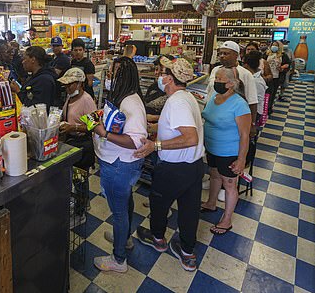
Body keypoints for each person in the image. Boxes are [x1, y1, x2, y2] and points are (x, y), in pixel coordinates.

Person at [134, 57, 205, 272]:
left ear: (170, 79)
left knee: (158, 203)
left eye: (163, 73)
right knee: (189, 210)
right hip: (193, 166)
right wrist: (155, 122)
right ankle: (187, 253)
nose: (159, 76)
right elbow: (176, 125)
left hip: (175, 168)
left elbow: (190, 137)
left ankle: (157, 239)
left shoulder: (177, 102)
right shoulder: (186, 97)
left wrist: (155, 145)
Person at [92, 57, 147, 273]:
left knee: (118, 213)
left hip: (119, 165)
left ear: (121, 76)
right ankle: (124, 239)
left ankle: (119, 259)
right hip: (123, 163)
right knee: (125, 202)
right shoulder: (127, 97)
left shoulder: (129, 102)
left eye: (112, 73)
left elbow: (135, 139)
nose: (109, 77)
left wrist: (103, 133)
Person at [200, 68, 252, 235]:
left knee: (230, 184)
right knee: (214, 175)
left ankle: (226, 220)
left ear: (230, 83)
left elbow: (245, 134)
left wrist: (241, 159)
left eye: (219, 78)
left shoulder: (239, 104)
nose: (216, 81)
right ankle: (211, 203)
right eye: (216, 78)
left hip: (229, 151)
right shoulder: (214, 98)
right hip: (212, 148)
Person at [206, 41, 258, 138]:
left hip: (232, 121)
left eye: (226, 53)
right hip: (213, 117)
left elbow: (252, 101)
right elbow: (209, 92)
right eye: (220, 53)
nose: (222, 56)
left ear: (236, 55)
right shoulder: (215, 70)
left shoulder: (245, 74)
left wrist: (252, 124)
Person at [59, 67, 97, 170]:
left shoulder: (87, 100)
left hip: (82, 144)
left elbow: (94, 125)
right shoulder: (70, 96)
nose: (67, 88)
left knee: (80, 178)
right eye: (65, 85)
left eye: (70, 85)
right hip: (70, 142)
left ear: (80, 84)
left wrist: (73, 127)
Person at [266, 40, 291, 114]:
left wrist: (282, 67)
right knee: (266, 93)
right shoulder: (267, 54)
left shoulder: (283, 55)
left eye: (276, 45)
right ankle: (264, 107)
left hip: (276, 77)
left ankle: (269, 108)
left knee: (272, 93)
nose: (274, 47)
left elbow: (287, 64)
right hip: (267, 76)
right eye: (273, 45)